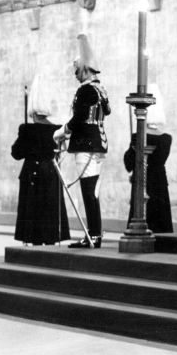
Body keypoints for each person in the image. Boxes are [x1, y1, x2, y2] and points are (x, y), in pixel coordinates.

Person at [54, 34, 111, 248]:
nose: (75, 74)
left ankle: (93, 235)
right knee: (92, 191)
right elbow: (106, 111)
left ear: (85, 68)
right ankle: (95, 234)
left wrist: (62, 131)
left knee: (88, 190)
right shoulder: (100, 89)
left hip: (86, 145)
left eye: (77, 69)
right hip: (98, 143)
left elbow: (78, 119)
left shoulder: (86, 89)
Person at [11, 75, 71, 245]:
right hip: (51, 174)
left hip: (32, 174)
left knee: (33, 218)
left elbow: (16, 153)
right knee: (48, 215)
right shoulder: (56, 128)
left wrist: (25, 138)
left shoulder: (26, 129)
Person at [124, 84, 173, 233]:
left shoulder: (138, 136)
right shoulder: (166, 138)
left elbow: (128, 164)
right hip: (159, 181)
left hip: (142, 180)